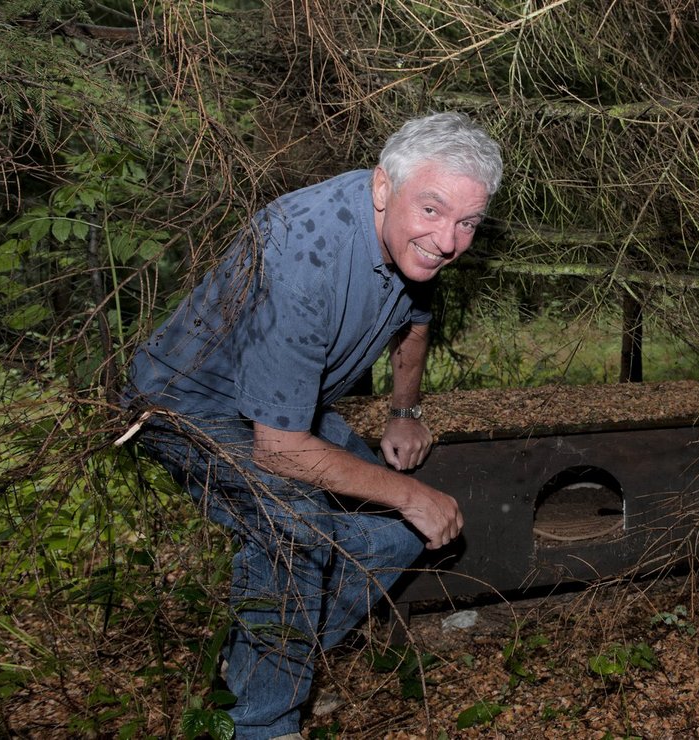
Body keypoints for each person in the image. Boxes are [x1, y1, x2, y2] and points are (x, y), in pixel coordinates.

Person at [120, 112, 502, 740]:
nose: (449, 240)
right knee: (298, 525)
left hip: (283, 402)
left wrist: (403, 411)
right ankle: (260, 723)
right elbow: (279, 450)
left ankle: (261, 665)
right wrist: (411, 491)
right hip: (185, 405)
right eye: (432, 211)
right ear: (383, 188)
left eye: (467, 222)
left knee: (397, 534)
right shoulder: (303, 253)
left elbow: (418, 315)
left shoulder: (414, 241)